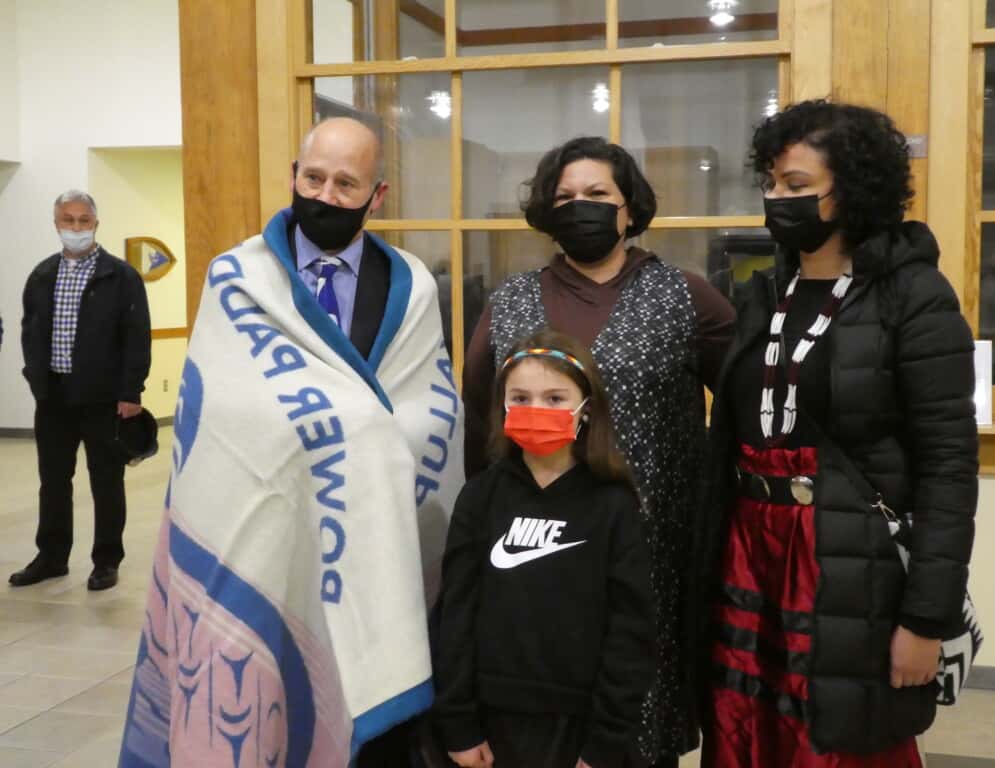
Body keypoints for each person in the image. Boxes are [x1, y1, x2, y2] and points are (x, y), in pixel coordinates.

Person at [118, 116, 465, 768]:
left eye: (346, 182)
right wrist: (337, 430)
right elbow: (219, 413)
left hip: (377, 539)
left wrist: (369, 443)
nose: (326, 195)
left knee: (376, 738)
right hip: (267, 540)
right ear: (293, 176)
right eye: (313, 177)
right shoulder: (236, 278)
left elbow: (431, 409)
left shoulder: (412, 284)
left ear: (377, 195)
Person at [694, 100, 979, 767]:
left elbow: (947, 467)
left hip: (847, 563)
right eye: (770, 183)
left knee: (840, 741)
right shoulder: (764, 293)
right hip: (749, 552)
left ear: (851, 187)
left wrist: (924, 621)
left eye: (796, 186)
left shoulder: (914, 295)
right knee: (745, 734)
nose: (777, 199)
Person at [462, 136, 736, 766]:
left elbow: (749, 403)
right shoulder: (509, 302)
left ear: (629, 206)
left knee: (632, 726)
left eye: (596, 195)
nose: (579, 206)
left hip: (649, 554)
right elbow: (480, 414)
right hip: (533, 550)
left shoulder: (685, 297)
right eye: (564, 197)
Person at [434, 329, 655, 768]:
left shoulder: (613, 505)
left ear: (585, 409)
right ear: (502, 407)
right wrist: (458, 723)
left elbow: (631, 633)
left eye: (555, 398)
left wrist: (606, 743)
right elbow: (455, 616)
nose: (536, 410)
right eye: (521, 397)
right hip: (491, 729)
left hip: (583, 731)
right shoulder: (480, 498)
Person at [14, 189, 151, 592]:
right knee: (53, 480)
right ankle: (52, 556)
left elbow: (136, 336)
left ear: (95, 223)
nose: (75, 228)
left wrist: (131, 392)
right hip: (54, 398)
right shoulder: (41, 275)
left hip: (104, 399)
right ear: (56, 224)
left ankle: (106, 560)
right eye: (67, 220)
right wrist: (36, 380)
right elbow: (29, 331)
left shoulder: (120, 276)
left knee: (106, 481)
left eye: (83, 220)